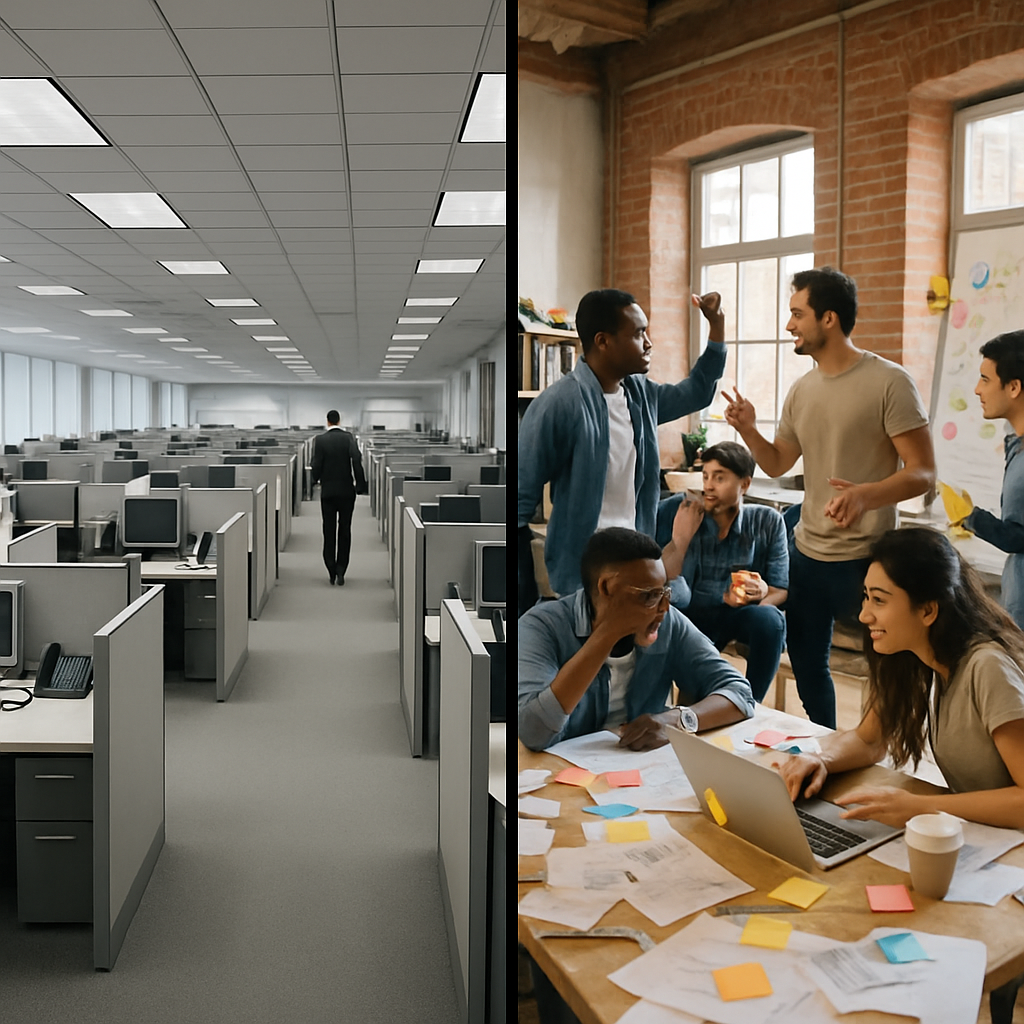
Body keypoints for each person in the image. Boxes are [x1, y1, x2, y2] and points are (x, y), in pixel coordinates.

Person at [723, 266, 935, 728]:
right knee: (808, 667)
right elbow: (777, 463)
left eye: (797, 314)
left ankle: (877, 747)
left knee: (887, 667)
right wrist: (749, 430)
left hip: (867, 558)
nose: (789, 325)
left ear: (829, 318)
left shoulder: (890, 382)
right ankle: (826, 744)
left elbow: (923, 472)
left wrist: (866, 496)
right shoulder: (802, 390)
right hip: (808, 554)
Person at [777, 528, 1024, 829]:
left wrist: (922, 807)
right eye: (866, 597)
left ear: (928, 610)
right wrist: (821, 759)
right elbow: (869, 740)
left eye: (879, 600)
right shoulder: (917, 657)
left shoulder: (987, 667)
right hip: (979, 835)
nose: (864, 615)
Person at [518, 288, 728, 603]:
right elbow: (521, 498)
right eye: (639, 333)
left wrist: (717, 326)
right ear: (603, 341)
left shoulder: (642, 395)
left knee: (669, 613)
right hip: (582, 575)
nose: (649, 343)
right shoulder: (559, 404)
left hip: (635, 560)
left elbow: (697, 392)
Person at [518, 527, 754, 752]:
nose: (664, 607)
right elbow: (532, 732)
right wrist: (608, 634)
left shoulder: (668, 622)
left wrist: (676, 720)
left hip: (644, 768)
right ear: (607, 587)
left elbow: (740, 693)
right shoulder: (541, 627)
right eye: (649, 595)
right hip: (559, 772)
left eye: (665, 592)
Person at [655, 442, 788, 702]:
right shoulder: (678, 511)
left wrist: (761, 594)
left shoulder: (767, 521)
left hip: (737, 615)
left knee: (770, 620)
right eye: (706, 476)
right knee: (693, 700)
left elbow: (780, 589)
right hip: (689, 614)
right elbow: (663, 584)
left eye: (719, 478)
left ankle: (749, 703)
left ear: (745, 484)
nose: (709, 486)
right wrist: (681, 539)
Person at [956, 331, 1024, 628]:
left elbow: (1017, 537)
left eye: (985, 379)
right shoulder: (1016, 444)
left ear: (1014, 387)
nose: (977, 389)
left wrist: (971, 518)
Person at [310, 410, 366, 586]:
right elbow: (356, 460)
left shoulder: (320, 440)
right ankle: (342, 569)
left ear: (327, 422)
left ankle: (331, 570)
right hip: (346, 491)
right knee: (345, 530)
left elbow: (316, 464)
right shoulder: (349, 438)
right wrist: (360, 485)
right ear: (339, 421)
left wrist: (314, 480)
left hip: (328, 492)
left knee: (328, 530)